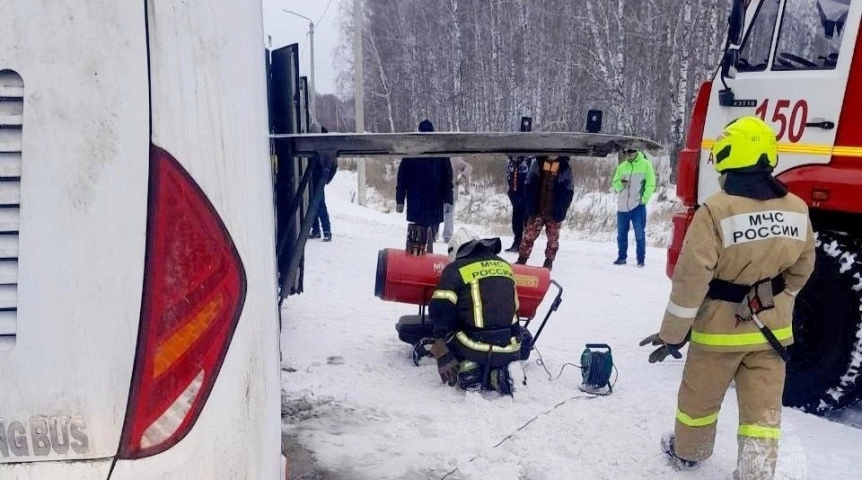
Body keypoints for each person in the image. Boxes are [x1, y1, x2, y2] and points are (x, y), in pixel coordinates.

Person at [639, 117, 815, 479]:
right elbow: (802, 269)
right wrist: (776, 301)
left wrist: (673, 334)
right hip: (772, 334)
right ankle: (755, 472)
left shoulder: (715, 211)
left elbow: (691, 282)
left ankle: (689, 454)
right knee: (762, 412)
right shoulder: (797, 208)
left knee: (698, 402)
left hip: (718, 334)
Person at [427, 227, 527, 398]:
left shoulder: (455, 269)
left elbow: (439, 311)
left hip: (474, 346)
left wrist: (442, 342)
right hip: (512, 346)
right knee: (493, 354)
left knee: (453, 336)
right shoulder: (505, 265)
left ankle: (470, 372)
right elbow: (515, 308)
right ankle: (500, 377)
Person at [395, 120, 453, 254]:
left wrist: (400, 199)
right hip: (434, 199)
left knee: (419, 231)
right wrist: (448, 199)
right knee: (430, 231)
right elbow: (447, 178)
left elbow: (402, 178)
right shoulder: (440, 152)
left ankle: (418, 255)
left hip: (417, 199)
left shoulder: (412, 151)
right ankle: (425, 254)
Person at [515, 156, 574, 271]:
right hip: (537, 209)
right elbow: (529, 183)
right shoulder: (538, 163)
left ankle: (549, 262)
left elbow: (569, 190)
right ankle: (522, 259)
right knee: (529, 235)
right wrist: (529, 203)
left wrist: (562, 207)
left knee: (553, 239)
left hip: (554, 211)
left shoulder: (565, 167)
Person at [612, 148, 656, 267]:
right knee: (621, 235)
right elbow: (615, 184)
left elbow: (651, 184)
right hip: (622, 207)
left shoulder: (646, 165)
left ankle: (640, 260)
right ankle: (621, 258)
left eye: (630, 152)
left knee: (639, 234)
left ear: (636, 152)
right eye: (625, 152)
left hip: (638, 207)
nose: (628, 154)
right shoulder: (622, 167)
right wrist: (620, 184)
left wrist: (644, 200)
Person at [505, 116, 535, 252]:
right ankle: (517, 241)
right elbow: (508, 174)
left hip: (526, 192)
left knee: (526, 218)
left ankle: (524, 243)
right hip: (515, 191)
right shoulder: (512, 160)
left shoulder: (531, 159)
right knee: (517, 218)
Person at [310, 126, 336, 241]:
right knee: (315, 205)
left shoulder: (324, 146)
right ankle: (317, 230)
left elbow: (332, 164)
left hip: (318, 178)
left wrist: (325, 178)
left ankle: (325, 231)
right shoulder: (325, 145)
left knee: (319, 205)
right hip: (316, 178)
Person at [441, 157, 473, 243]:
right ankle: (433, 235)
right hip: (438, 191)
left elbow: (468, 167)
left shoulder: (454, 159)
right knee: (440, 213)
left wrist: (462, 178)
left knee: (448, 213)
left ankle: (447, 236)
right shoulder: (438, 158)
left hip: (451, 191)